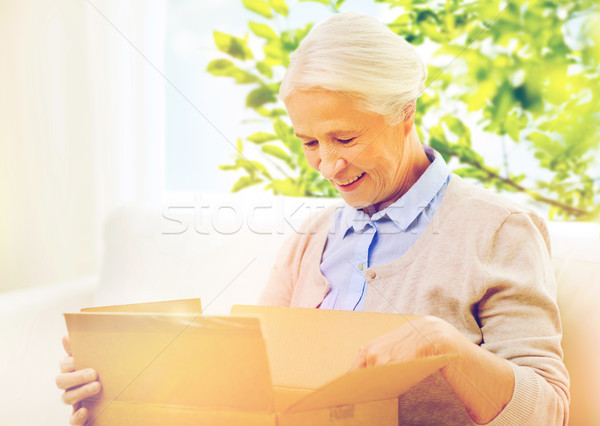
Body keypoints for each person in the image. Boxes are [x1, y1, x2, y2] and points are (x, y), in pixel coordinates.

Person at [56, 12, 569, 425]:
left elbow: (548, 410)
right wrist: (124, 392)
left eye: (345, 138)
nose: (328, 164)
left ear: (405, 113)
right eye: (308, 142)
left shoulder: (499, 230)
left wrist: (446, 346)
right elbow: (246, 391)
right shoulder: (311, 239)